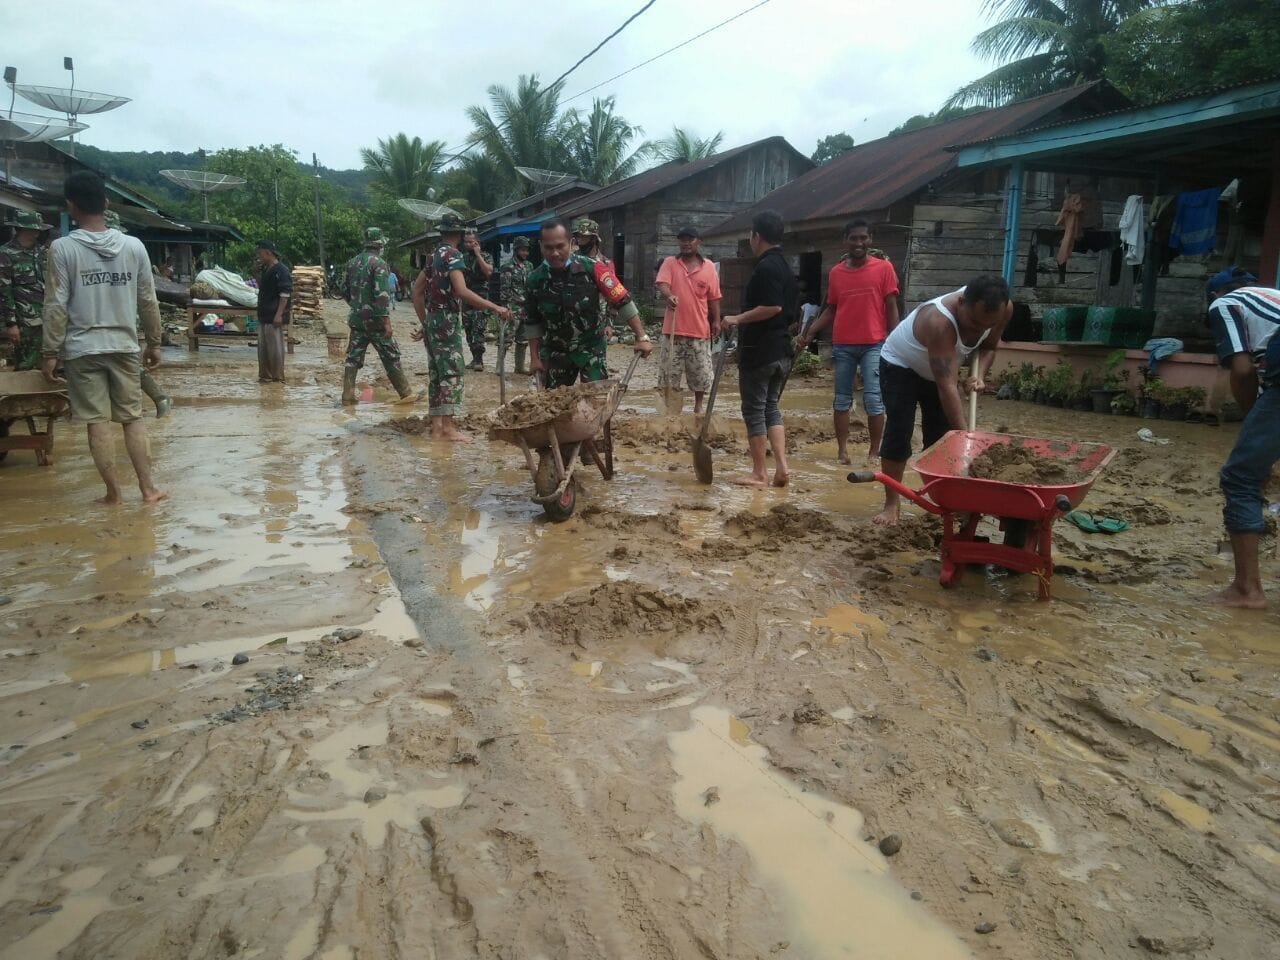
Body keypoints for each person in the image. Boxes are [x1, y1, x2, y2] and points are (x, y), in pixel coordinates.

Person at [41, 172, 166, 504]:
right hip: (124, 345)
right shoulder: (134, 247)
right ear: (106, 203)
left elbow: (56, 303)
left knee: (96, 423)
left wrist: (50, 350)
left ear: (71, 206)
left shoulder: (62, 249)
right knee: (132, 418)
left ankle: (113, 493)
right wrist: (154, 341)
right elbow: (147, 300)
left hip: (82, 349)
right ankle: (148, 489)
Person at [874, 275, 1012, 526]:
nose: (977, 330)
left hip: (940, 370)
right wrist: (967, 440)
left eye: (986, 325)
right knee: (900, 431)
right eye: (972, 323)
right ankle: (891, 504)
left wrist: (978, 376)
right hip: (900, 366)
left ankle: (943, 502)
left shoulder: (1003, 310)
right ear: (961, 302)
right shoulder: (938, 322)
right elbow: (946, 385)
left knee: (940, 439)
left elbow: (989, 347)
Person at [1204, 267, 1280, 609]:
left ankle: (1246, 591)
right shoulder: (1272, 299)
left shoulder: (1224, 303)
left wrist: (1251, 421)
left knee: (1240, 477)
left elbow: (1242, 370)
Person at [797, 219, 901, 464]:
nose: (859, 243)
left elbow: (891, 306)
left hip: (874, 344)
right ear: (846, 240)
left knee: (873, 399)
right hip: (843, 344)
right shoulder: (836, 273)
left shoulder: (884, 269)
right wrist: (809, 332)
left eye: (863, 238)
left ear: (871, 240)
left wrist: (895, 339)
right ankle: (842, 452)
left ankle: (875, 451)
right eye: (854, 238)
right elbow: (831, 309)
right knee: (841, 399)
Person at [410, 213, 510, 440]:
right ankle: (447, 428)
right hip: (447, 319)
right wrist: (495, 307)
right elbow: (462, 291)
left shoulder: (433, 256)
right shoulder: (453, 255)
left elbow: (416, 292)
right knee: (452, 371)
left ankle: (437, 427)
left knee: (436, 372)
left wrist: (425, 322)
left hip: (434, 318)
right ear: (459, 233)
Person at [524, 217, 652, 389]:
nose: (555, 253)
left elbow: (622, 300)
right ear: (541, 246)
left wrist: (641, 336)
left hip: (591, 347)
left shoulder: (593, 268)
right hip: (555, 351)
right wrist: (534, 358)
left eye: (560, 246)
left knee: (596, 400)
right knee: (554, 404)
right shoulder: (534, 280)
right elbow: (533, 321)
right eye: (548, 248)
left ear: (571, 243)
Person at [720, 211, 797, 488]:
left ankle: (759, 473)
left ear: (756, 237)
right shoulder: (785, 267)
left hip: (761, 351)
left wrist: (737, 318)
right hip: (781, 350)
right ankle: (782, 468)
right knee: (771, 409)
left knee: (754, 411)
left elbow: (773, 306)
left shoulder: (765, 268)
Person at [104, 210, 171, 417]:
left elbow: (148, 300)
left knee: (127, 368)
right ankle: (156, 399)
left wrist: (154, 342)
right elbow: (148, 301)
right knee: (127, 366)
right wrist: (154, 342)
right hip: (121, 326)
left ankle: (154, 399)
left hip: (111, 327)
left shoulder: (130, 252)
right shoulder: (131, 251)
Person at [655, 225, 722, 414]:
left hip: (699, 330)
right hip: (673, 331)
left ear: (698, 242)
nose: (685, 243)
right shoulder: (670, 262)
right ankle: (670, 408)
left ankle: (698, 407)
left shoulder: (708, 267)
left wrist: (716, 320)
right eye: (682, 240)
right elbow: (662, 284)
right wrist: (669, 296)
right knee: (669, 374)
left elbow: (714, 297)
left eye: (690, 239)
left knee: (700, 374)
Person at [342, 227, 413, 404]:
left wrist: (357, 307)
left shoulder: (351, 263)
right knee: (391, 356)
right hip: (376, 322)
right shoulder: (379, 263)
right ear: (379, 244)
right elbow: (382, 296)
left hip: (357, 320)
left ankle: (347, 395)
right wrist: (386, 322)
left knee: (353, 358)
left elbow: (344, 291)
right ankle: (406, 393)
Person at [1, 210, 53, 370]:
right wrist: (11, 324)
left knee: (49, 363)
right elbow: (4, 290)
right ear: (24, 229)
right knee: (26, 365)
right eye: (34, 229)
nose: (37, 233)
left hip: (48, 318)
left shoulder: (42, 252)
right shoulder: (6, 253)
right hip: (24, 320)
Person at [253, 240, 291, 384]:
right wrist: (256, 273)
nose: (259, 257)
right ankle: (266, 375)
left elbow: (285, 294)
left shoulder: (281, 271)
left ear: (268, 253)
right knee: (263, 349)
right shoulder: (267, 269)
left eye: (260, 253)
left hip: (273, 315)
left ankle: (277, 377)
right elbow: (263, 287)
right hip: (265, 315)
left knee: (275, 348)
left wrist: (279, 314)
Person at [572, 218, 615, 340]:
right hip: (571, 323)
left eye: (584, 237)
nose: (580, 241)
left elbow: (612, 296)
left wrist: (609, 324)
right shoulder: (571, 261)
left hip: (597, 324)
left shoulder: (605, 264)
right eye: (578, 237)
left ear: (594, 239)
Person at [499, 235, 534, 374]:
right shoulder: (507, 267)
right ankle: (499, 367)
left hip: (525, 308)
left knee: (523, 340)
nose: (525, 253)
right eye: (522, 250)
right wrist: (506, 308)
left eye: (527, 250)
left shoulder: (529, 266)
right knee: (506, 339)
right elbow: (504, 289)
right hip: (512, 306)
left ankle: (519, 367)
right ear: (516, 250)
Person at [461, 228, 494, 370]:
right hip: (466, 296)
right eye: (466, 242)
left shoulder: (486, 256)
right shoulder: (461, 257)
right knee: (468, 327)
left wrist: (478, 254)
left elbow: (488, 272)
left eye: (472, 242)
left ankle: (479, 359)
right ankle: (474, 358)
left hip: (481, 297)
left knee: (478, 327)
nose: (469, 244)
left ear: (478, 243)